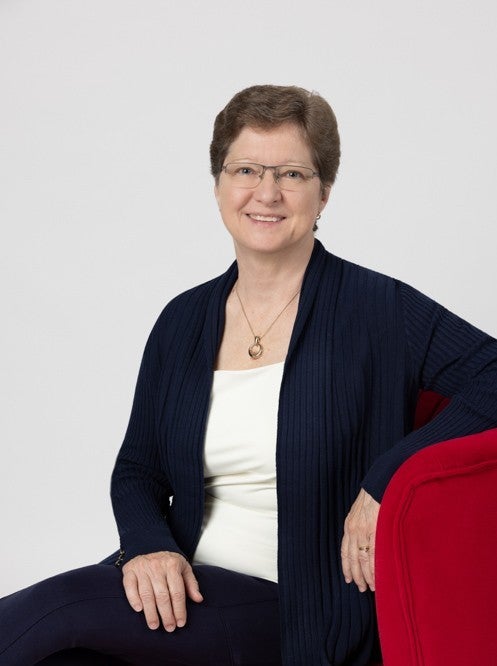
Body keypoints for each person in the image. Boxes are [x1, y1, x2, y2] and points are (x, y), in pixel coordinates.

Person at [1, 84, 497, 666]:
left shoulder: (379, 309)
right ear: (218, 185)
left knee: (58, 608)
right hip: (185, 589)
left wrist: (388, 478)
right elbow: (137, 468)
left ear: (324, 192)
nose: (267, 193)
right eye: (245, 170)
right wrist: (148, 546)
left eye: (292, 174)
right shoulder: (183, 319)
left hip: (299, 611)